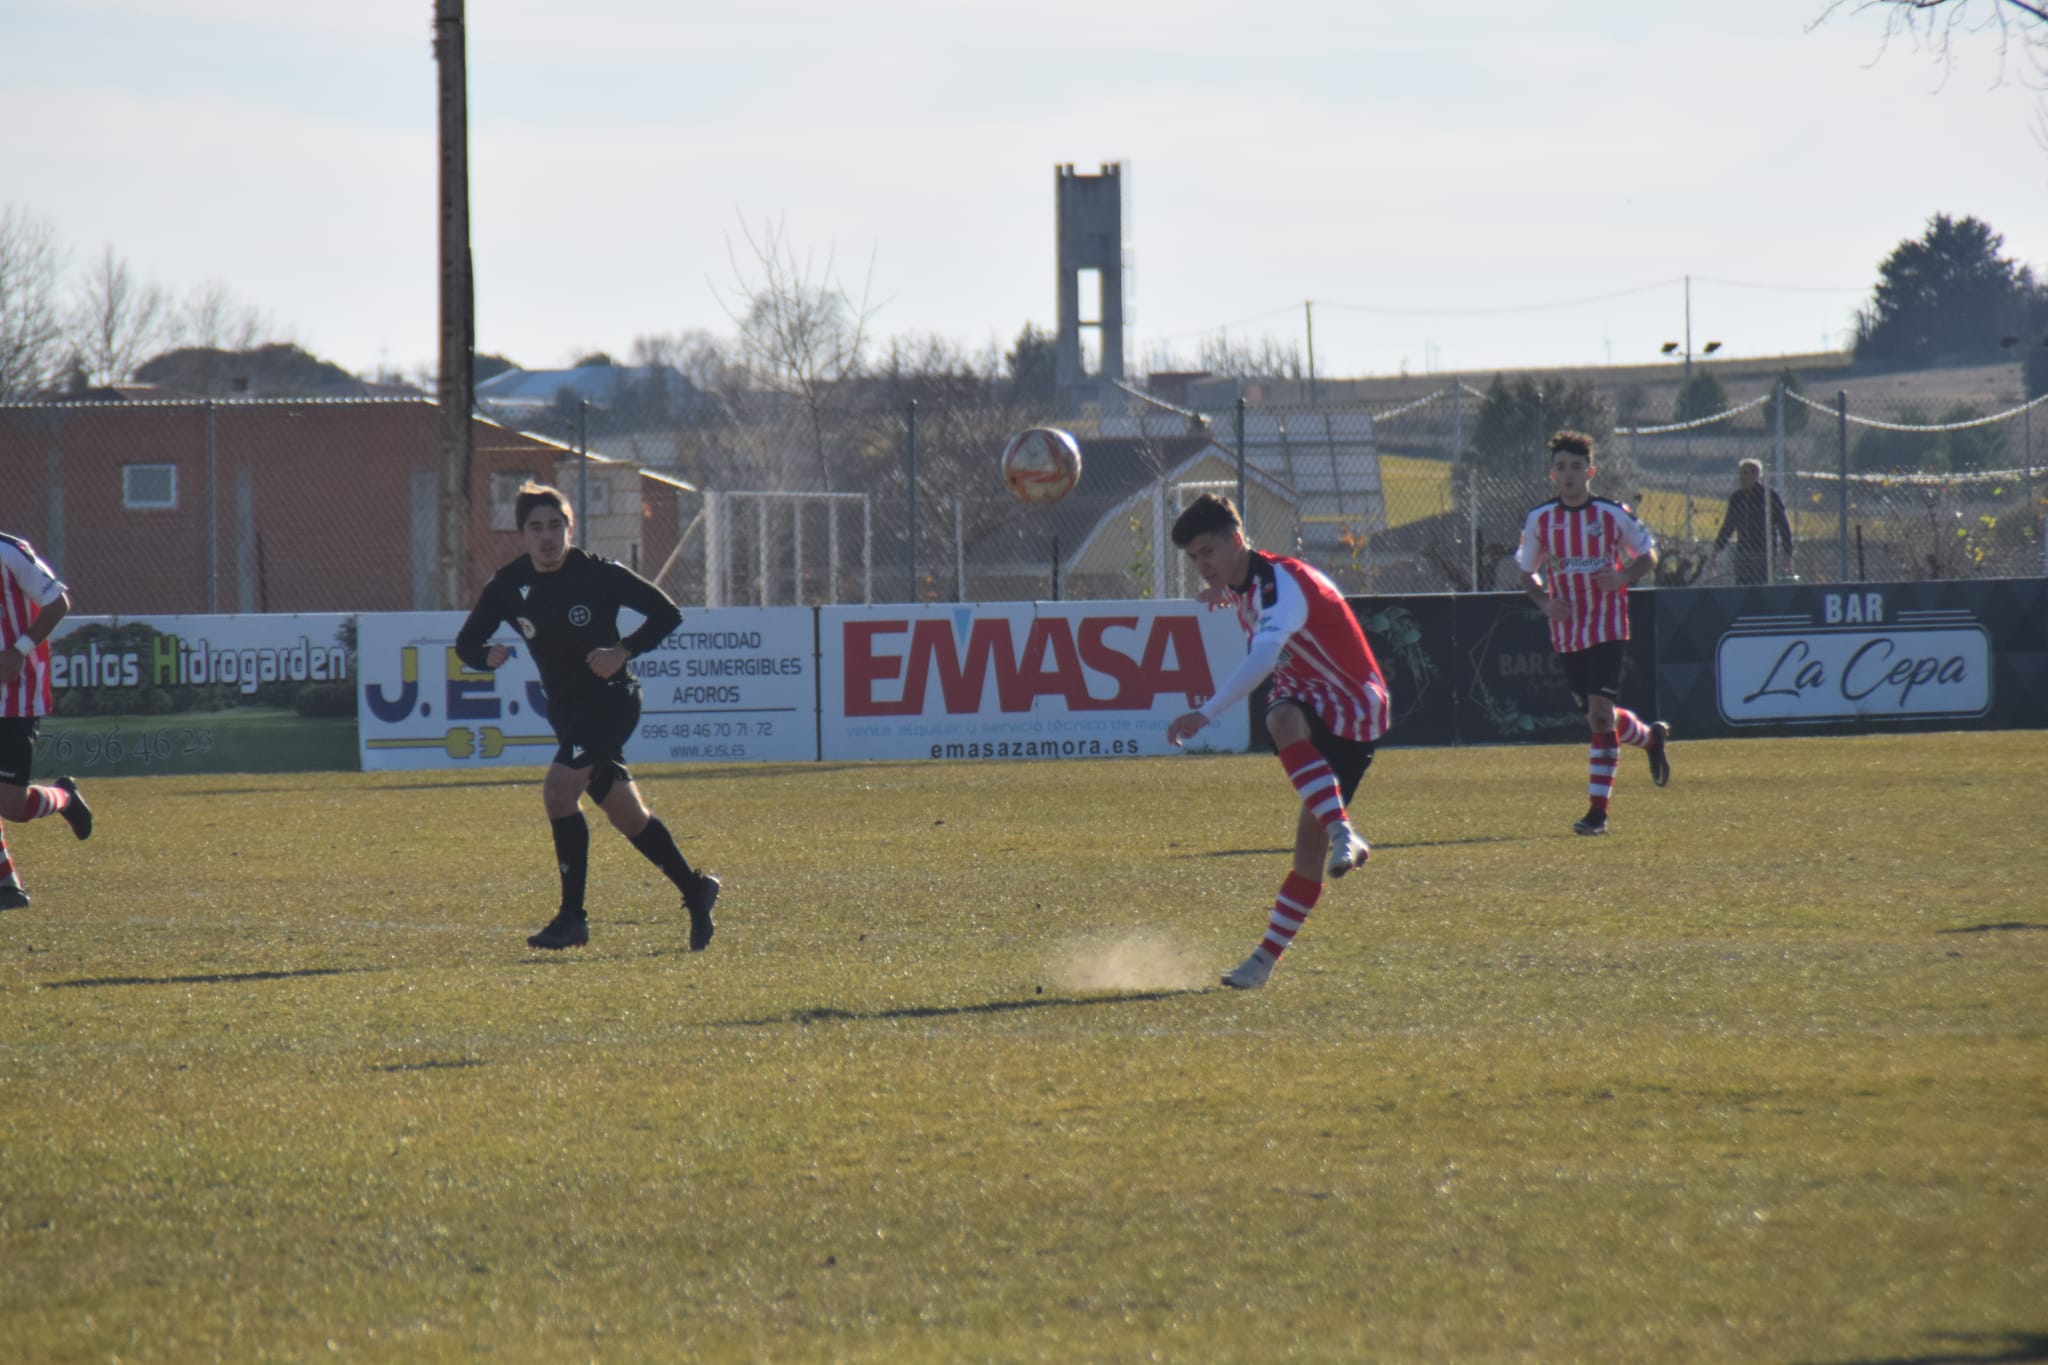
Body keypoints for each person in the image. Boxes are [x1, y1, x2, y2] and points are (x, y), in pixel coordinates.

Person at [455, 484, 719, 951]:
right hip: (567, 713)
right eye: (536, 528)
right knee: (628, 816)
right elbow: (467, 642)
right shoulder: (508, 585)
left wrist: (623, 650)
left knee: (558, 791)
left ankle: (572, 919)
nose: (547, 537)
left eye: (556, 526)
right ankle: (695, 889)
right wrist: (484, 656)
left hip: (613, 701)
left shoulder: (598, 574)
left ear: (570, 528)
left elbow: (666, 613)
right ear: (521, 535)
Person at [1165, 494, 1391, 991]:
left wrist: (1205, 712)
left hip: (1351, 703)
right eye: (1194, 558)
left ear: (1236, 540)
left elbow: (1264, 657)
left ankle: (1343, 833)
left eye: (1208, 552)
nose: (1202, 565)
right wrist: (1225, 589)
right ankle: (1264, 962)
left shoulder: (1280, 586)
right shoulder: (1247, 580)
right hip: (1307, 694)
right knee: (1306, 851)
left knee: (1283, 722)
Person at [1513, 431, 1670, 836]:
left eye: (1577, 467)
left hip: (1608, 625)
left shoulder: (1611, 514)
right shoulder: (1540, 519)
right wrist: (1546, 603)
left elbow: (1648, 556)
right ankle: (1650, 739)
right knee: (1599, 717)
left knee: (1599, 716)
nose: (1569, 475)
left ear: (1590, 472)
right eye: (1562, 467)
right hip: (1566, 630)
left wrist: (1621, 575)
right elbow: (1526, 572)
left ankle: (1597, 815)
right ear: (1553, 474)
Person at [0, 532, 94, 911]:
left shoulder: (9, 552)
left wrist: (18, 650)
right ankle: (7, 885)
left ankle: (65, 798)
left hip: (14, 695)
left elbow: (57, 603)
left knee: (12, 806)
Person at [1711, 457, 1795, 586]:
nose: (1742, 477)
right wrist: (1717, 549)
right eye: (1740, 474)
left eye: (1745, 473)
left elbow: (1783, 524)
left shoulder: (1768, 495)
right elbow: (1728, 526)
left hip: (1763, 550)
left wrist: (1787, 552)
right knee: (1742, 585)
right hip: (1743, 549)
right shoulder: (1737, 498)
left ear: (1756, 475)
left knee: (1762, 585)